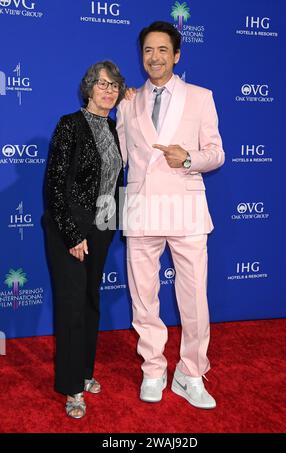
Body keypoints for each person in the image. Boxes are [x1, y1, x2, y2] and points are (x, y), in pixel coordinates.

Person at [117, 21, 225, 409]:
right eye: (148, 50)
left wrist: (190, 158)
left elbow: (217, 153)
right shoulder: (128, 103)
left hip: (187, 210)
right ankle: (153, 367)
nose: (155, 57)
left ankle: (191, 373)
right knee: (144, 296)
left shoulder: (201, 97)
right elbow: (121, 159)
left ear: (176, 55)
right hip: (143, 209)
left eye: (163, 50)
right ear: (141, 56)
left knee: (194, 299)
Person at [43, 60, 125, 418]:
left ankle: (85, 371)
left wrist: (108, 227)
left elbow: (113, 182)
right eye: (102, 84)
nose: (108, 91)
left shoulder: (114, 127)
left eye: (114, 86)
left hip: (103, 227)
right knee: (73, 306)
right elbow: (55, 186)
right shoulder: (70, 126)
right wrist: (73, 233)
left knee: (91, 301)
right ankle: (72, 387)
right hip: (69, 229)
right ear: (89, 88)